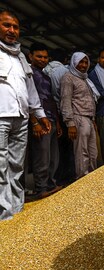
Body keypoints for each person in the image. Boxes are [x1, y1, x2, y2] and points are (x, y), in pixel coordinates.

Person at [0, 9, 51, 220]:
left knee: (17, 166)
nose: (12, 30)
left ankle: (16, 208)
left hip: (20, 118)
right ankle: (5, 215)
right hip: (1, 117)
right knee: (0, 166)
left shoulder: (20, 56)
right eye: (6, 25)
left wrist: (39, 114)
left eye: (15, 27)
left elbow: (29, 89)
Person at [25, 42, 63, 202]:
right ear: (30, 56)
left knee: (53, 157)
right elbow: (28, 100)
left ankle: (50, 184)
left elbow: (52, 100)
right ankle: (40, 188)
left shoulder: (46, 76)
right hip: (40, 121)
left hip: (51, 120)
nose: (42, 59)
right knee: (42, 156)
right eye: (39, 56)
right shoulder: (28, 74)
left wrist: (58, 123)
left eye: (45, 57)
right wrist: (34, 122)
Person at [60, 52, 99, 180]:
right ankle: (82, 181)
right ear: (74, 63)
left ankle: (92, 179)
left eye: (85, 62)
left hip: (88, 118)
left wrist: (93, 119)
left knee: (93, 153)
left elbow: (90, 100)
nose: (83, 65)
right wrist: (70, 123)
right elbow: (65, 100)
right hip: (78, 117)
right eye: (80, 62)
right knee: (82, 152)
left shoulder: (85, 78)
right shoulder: (68, 77)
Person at [44, 48, 76, 186]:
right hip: (63, 113)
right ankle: (66, 177)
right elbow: (65, 96)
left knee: (51, 150)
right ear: (65, 60)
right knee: (66, 148)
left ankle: (51, 179)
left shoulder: (45, 71)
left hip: (48, 112)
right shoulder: (66, 72)